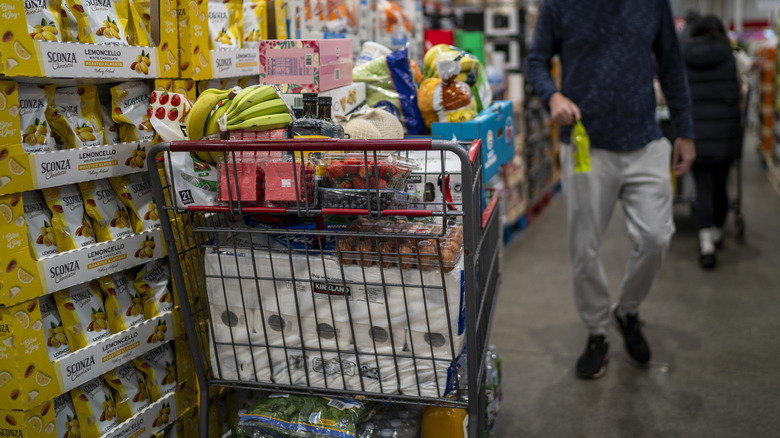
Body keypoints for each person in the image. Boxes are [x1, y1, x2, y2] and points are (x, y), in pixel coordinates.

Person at [527, 0, 696, 379]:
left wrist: (685, 129)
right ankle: (597, 332)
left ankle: (627, 310)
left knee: (656, 237)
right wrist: (552, 95)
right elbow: (536, 61)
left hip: (646, 141)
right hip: (587, 145)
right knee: (584, 248)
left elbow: (671, 63)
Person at [683, 15, 743, 269]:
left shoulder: (685, 54)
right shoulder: (729, 55)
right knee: (721, 184)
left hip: (696, 132)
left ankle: (705, 242)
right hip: (725, 132)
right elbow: (737, 92)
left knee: (703, 186)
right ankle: (718, 232)